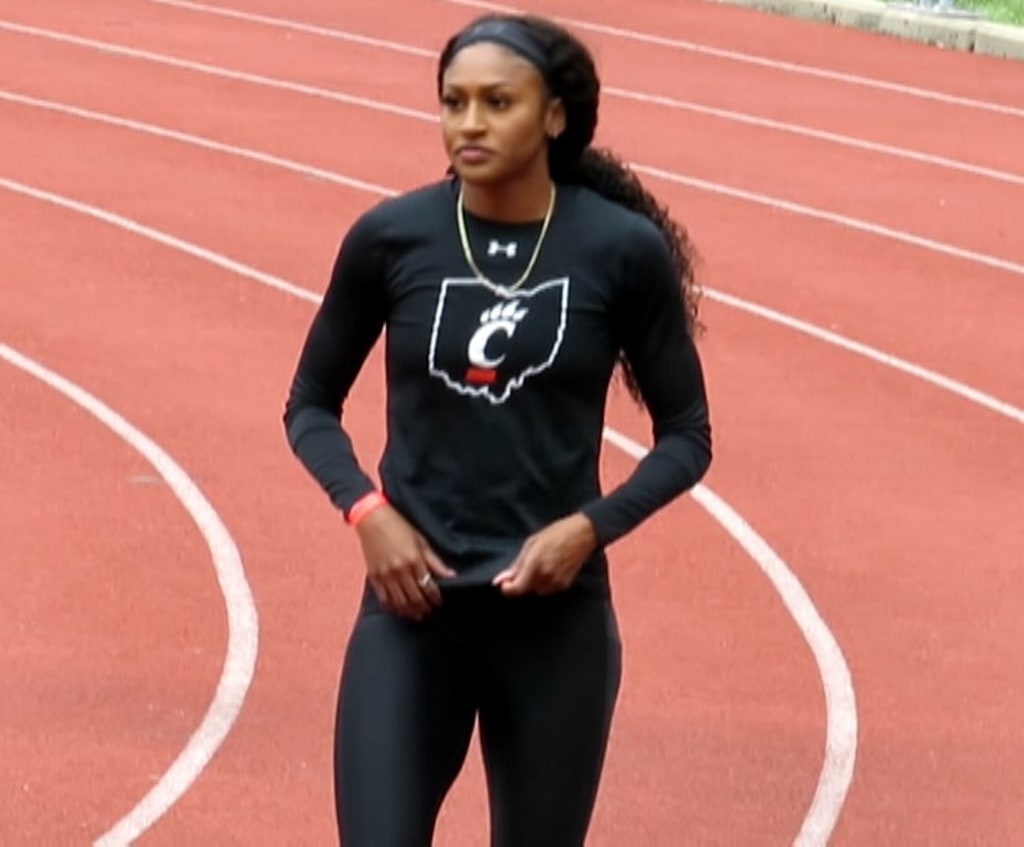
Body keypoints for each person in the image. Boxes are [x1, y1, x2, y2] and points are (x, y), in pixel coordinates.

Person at [282, 12, 712, 847]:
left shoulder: (620, 251)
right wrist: (366, 511)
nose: (469, 123)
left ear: (554, 115)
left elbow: (687, 435)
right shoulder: (391, 238)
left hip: (553, 625)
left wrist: (587, 530)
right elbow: (309, 404)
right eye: (454, 102)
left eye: (497, 102)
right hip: (412, 615)